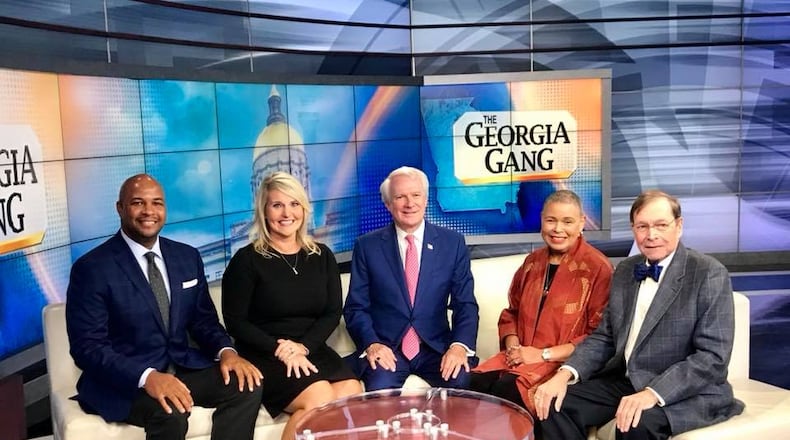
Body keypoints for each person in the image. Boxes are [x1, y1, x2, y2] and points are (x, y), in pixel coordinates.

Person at [66, 174, 263, 440]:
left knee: (247, 385)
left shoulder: (186, 257)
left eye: (157, 203)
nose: (149, 211)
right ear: (120, 208)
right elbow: (87, 348)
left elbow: (203, 322)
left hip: (182, 367)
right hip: (126, 381)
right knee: (170, 410)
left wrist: (226, 352)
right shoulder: (92, 269)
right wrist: (147, 377)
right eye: (138, 203)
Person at [535, 190, 745, 440]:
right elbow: (606, 337)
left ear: (679, 226)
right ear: (633, 229)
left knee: (635, 423)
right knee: (552, 404)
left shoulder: (708, 273)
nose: (651, 235)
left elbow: (712, 358)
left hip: (688, 391)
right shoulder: (626, 270)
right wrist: (565, 373)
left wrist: (652, 393)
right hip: (626, 380)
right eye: (642, 226)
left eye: (661, 225)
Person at [221, 171, 362, 440]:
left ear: (304, 209)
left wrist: (303, 347)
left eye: (294, 204)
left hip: (311, 349)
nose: (287, 213)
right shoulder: (247, 260)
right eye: (277, 205)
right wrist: (281, 349)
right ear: (264, 210)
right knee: (320, 395)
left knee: (351, 390)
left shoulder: (321, 255)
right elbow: (236, 321)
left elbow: (333, 312)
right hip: (267, 354)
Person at [470, 189, 612, 417]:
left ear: (581, 223)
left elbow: (597, 337)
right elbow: (511, 313)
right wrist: (514, 346)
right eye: (551, 220)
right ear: (542, 221)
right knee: (471, 385)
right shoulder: (532, 262)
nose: (558, 229)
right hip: (518, 359)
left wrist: (541, 354)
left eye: (567, 221)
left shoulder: (598, 268)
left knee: (507, 392)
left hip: (558, 363)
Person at [343, 166, 479, 390]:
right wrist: (373, 344)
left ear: (426, 199)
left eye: (416, 195)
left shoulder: (452, 243)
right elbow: (355, 308)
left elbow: (465, 304)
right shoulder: (367, 246)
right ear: (388, 204)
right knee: (379, 386)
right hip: (389, 348)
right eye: (400, 197)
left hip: (436, 348)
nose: (409, 203)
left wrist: (459, 346)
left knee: (460, 379)